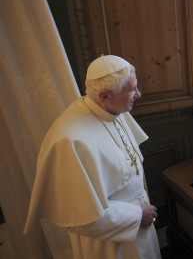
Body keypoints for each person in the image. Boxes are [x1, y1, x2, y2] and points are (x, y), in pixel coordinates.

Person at [24, 55, 161, 259]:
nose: (139, 94)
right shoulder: (69, 141)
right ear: (104, 96)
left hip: (142, 221)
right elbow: (81, 219)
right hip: (110, 245)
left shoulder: (114, 110)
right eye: (131, 89)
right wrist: (137, 215)